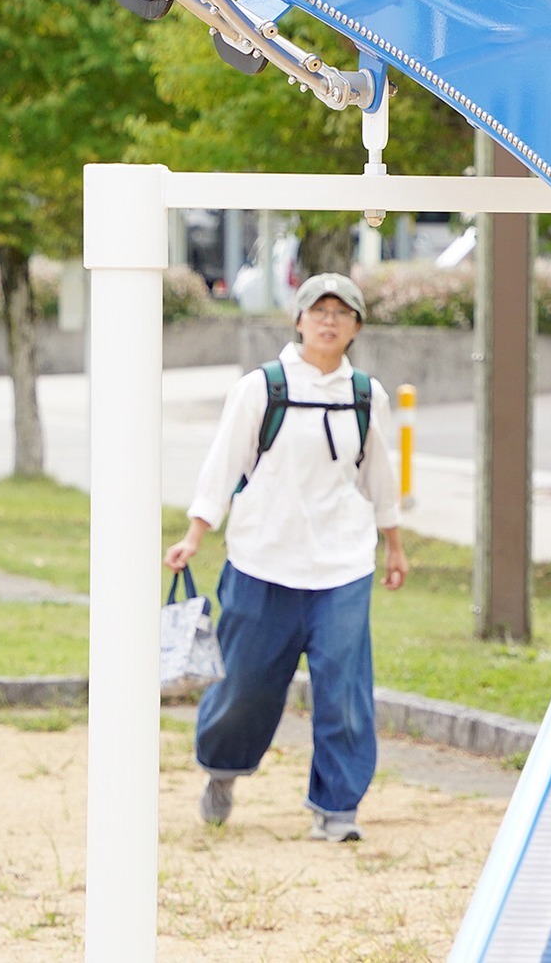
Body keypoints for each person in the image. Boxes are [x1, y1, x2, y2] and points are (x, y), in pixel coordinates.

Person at [162, 273, 408, 842]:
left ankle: (337, 808)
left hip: (342, 565)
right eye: (317, 310)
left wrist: (393, 544)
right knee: (244, 687)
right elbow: (222, 466)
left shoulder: (367, 395)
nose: (328, 321)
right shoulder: (259, 389)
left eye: (341, 313)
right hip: (261, 561)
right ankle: (222, 771)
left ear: (356, 327)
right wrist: (196, 533)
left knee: (343, 689)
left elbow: (381, 478)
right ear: (298, 320)